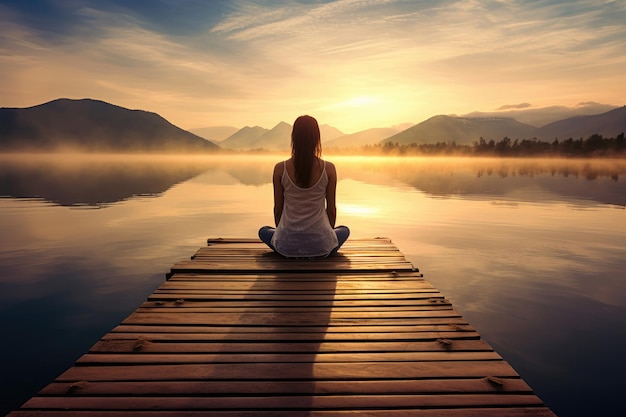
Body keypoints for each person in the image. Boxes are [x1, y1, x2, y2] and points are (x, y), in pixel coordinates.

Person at [259, 115, 350, 257]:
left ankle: (287, 243)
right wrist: (325, 237)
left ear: (294, 138)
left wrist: (285, 237)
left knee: (264, 231)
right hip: (321, 246)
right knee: (344, 230)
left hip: (286, 247)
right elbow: (331, 210)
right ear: (316, 139)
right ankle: (320, 245)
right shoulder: (329, 169)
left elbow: (278, 210)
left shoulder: (280, 169)